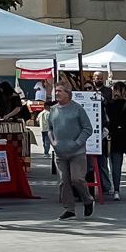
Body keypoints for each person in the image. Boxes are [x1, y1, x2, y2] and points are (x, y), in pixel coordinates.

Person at [46, 82, 94, 220]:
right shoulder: (53, 110)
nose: (57, 93)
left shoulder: (77, 109)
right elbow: (49, 128)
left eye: (60, 91)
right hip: (60, 152)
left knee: (77, 179)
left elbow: (87, 129)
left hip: (76, 152)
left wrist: (77, 143)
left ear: (68, 93)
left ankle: (88, 200)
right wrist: (53, 142)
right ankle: (69, 209)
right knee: (63, 181)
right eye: (56, 91)